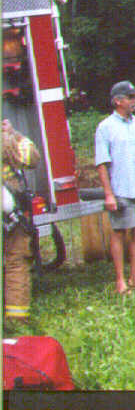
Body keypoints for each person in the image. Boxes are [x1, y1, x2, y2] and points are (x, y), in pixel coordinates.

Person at [95, 81, 135, 294]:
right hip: (122, 189)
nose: (134, 101)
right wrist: (109, 194)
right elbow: (102, 163)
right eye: (130, 98)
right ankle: (120, 281)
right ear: (117, 101)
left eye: (134, 97)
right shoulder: (105, 128)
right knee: (119, 232)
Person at [3, 119, 40, 327]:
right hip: (8, 217)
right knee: (16, 262)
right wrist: (14, 134)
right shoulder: (4, 139)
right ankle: (16, 322)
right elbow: (30, 159)